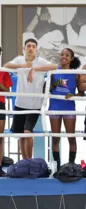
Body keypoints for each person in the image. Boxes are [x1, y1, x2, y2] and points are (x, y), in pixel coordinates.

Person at [4, 38, 57, 159]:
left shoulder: (40, 61)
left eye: (33, 46)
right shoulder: (19, 59)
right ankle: (25, 161)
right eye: (28, 46)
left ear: (36, 49)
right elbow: (6, 65)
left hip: (34, 105)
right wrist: (23, 66)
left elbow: (54, 66)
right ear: (24, 48)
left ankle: (30, 161)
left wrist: (33, 69)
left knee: (28, 133)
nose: (31, 48)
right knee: (21, 135)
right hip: (20, 103)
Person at [48, 48, 83, 170]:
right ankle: (56, 166)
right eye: (62, 54)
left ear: (71, 58)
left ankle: (71, 165)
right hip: (54, 107)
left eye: (67, 55)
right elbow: (45, 90)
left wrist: (73, 95)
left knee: (71, 137)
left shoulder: (76, 74)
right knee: (55, 137)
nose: (64, 57)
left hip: (69, 108)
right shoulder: (53, 71)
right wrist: (55, 84)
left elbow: (82, 93)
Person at [0, 46, 12, 175]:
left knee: (0, 136)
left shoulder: (3, 71)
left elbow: (9, 92)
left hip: (0, 103)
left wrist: (0, 85)